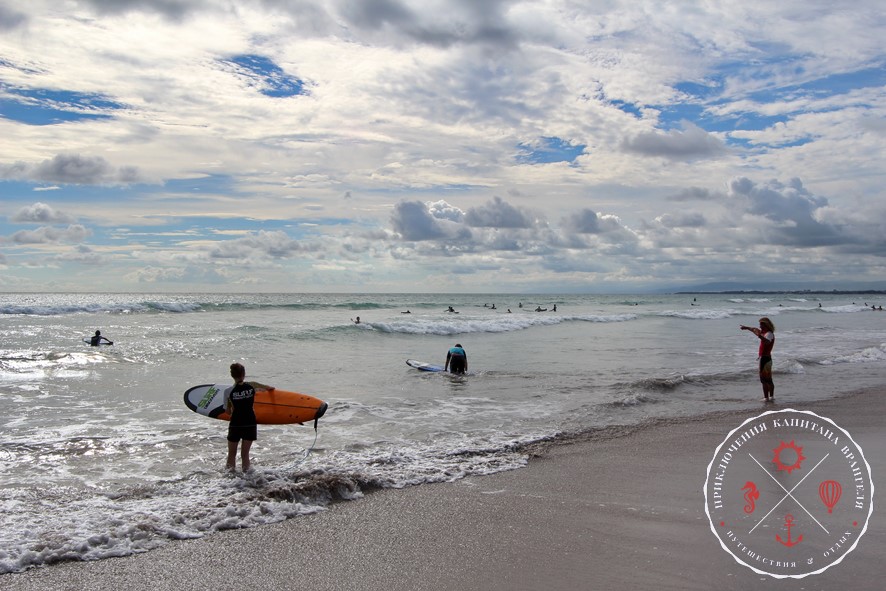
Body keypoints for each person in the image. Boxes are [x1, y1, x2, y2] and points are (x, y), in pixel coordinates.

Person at [224, 362, 262, 472]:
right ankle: (248, 479)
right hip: (250, 422)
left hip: (236, 424)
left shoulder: (228, 391)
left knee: (232, 454)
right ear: (244, 374)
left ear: (232, 375)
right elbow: (269, 388)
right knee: (245, 454)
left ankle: (229, 479)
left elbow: (227, 411)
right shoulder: (252, 386)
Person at [740, 318, 775, 402]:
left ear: (766, 325)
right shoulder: (764, 333)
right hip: (766, 358)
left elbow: (767, 342)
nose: (760, 326)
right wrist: (747, 328)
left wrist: (759, 336)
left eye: (761, 325)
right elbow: (754, 329)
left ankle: (767, 397)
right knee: (768, 379)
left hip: (765, 358)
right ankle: (771, 397)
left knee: (764, 379)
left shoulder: (769, 334)